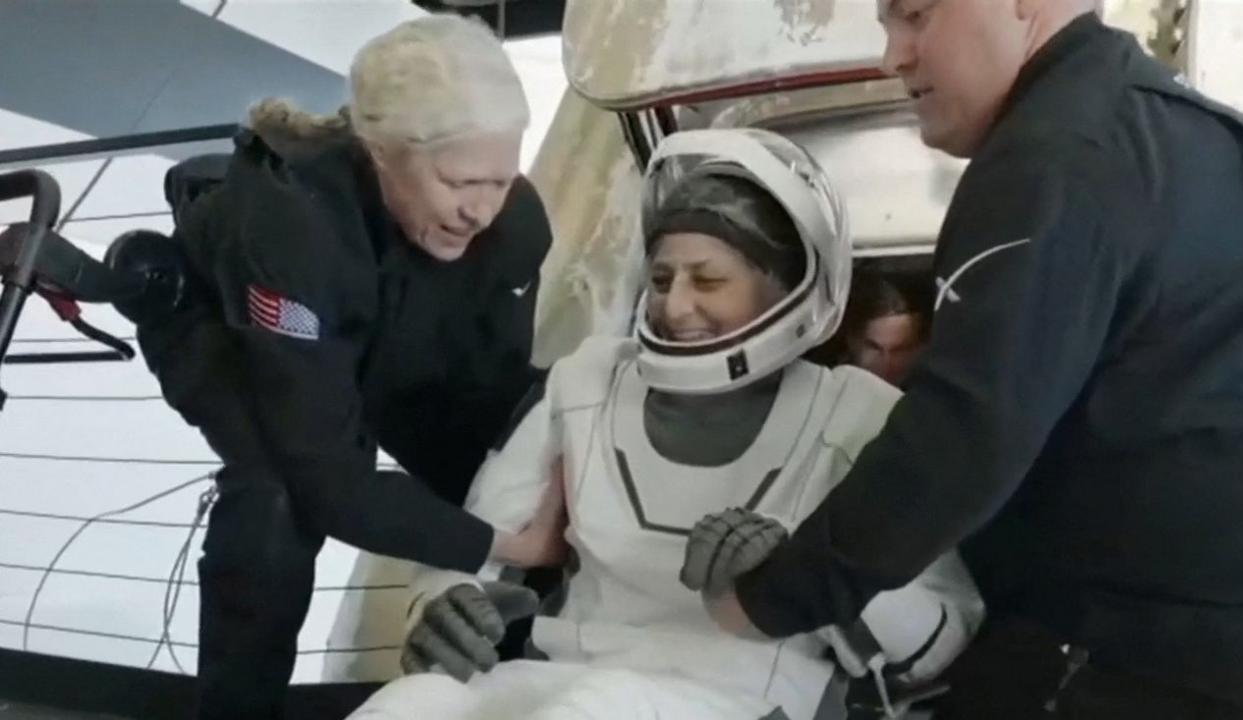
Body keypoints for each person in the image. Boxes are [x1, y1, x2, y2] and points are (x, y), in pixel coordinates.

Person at [689, 1, 1243, 718]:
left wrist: (769, 597)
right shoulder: (1175, 126)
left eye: (913, 15)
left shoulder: (1053, 153)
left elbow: (964, 431)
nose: (892, 55)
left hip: (1135, 660)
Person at [346, 128, 983, 720]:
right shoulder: (587, 383)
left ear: (790, 288)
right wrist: (440, 605)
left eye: (708, 280)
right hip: (566, 674)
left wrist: (807, 574)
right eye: (661, 277)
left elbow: (938, 639)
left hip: (747, 695)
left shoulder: (859, 416)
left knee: (599, 706)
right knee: (412, 703)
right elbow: (479, 542)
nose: (676, 305)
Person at [111, 15, 564, 720]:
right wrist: (504, 541)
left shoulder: (516, 226)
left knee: (511, 446)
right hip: (220, 322)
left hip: (373, 309)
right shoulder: (287, 230)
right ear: (380, 153)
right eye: (458, 181)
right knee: (276, 493)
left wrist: (518, 511)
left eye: (500, 179)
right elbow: (325, 474)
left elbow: (491, 400)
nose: (481, 209)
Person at [819, 270, 931, 386]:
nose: (886, 364)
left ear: (924, 346)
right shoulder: (823, 389)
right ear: (852, 341)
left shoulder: (939, 395)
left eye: (900, 350)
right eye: (874, 348)